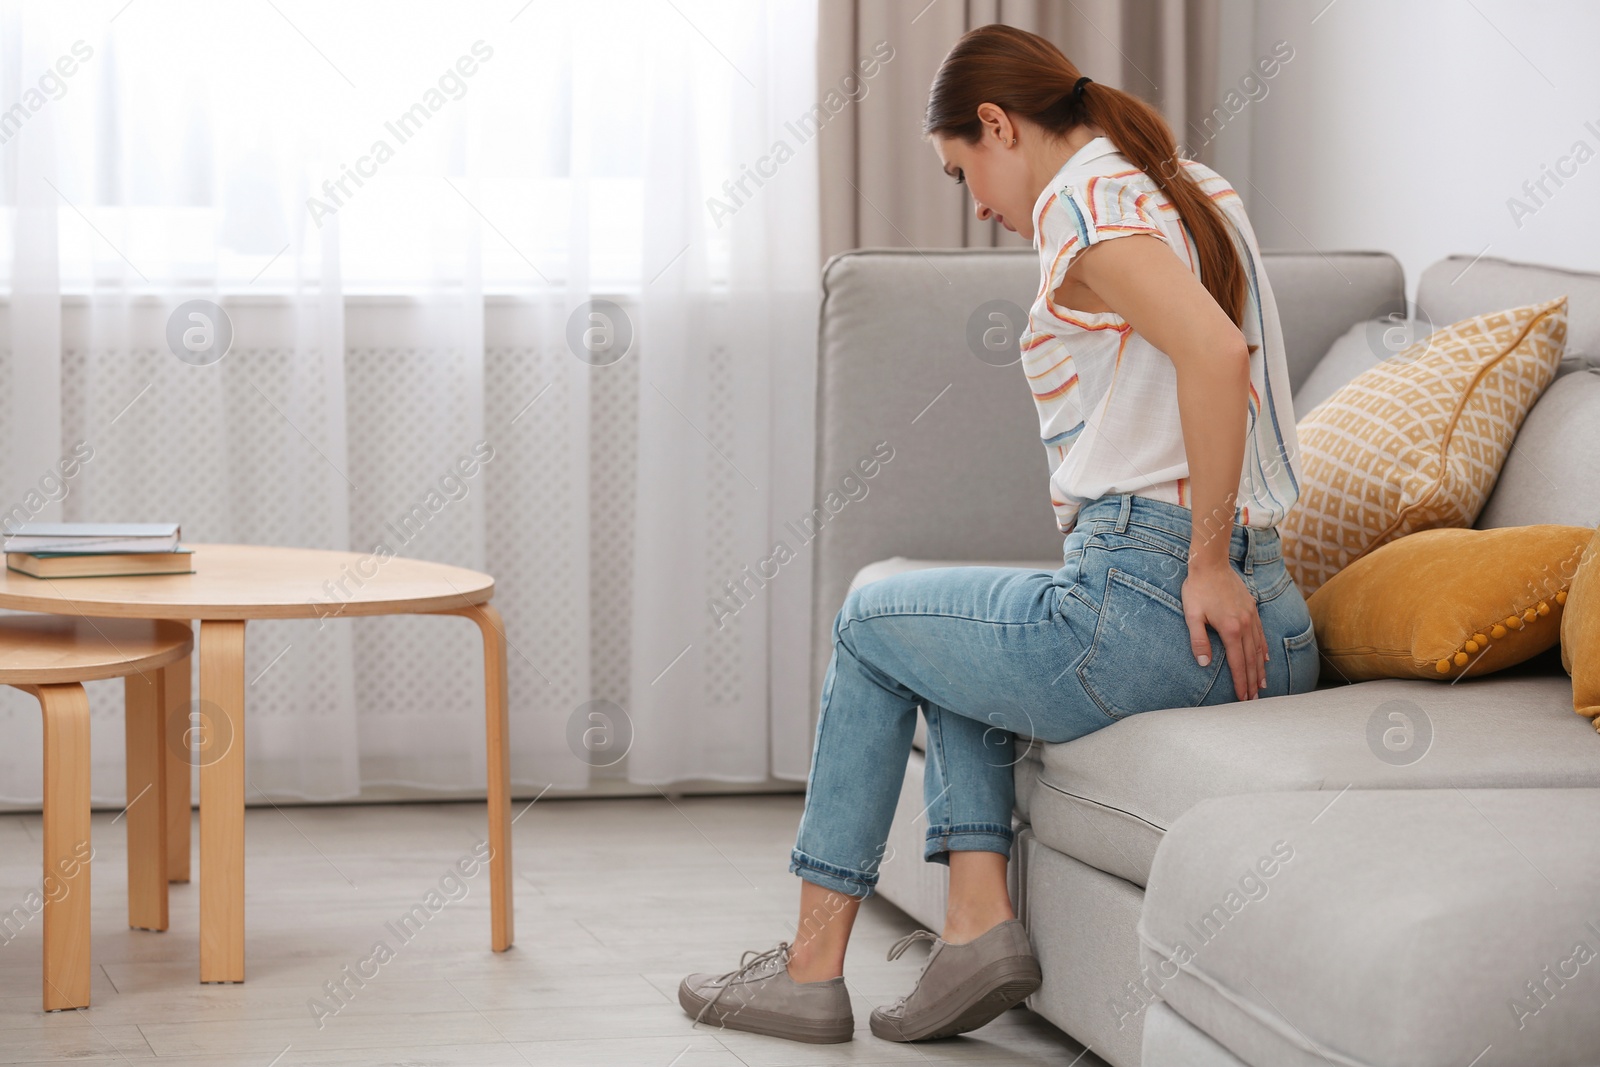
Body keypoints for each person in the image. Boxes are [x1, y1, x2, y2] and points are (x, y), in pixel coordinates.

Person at [678, 22, 1318, 1046]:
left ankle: (809, 970)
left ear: (996, 124)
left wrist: (1201, 561)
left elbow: (1212, 353)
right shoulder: (1184, 182)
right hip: (1276, 624)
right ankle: (975, 920)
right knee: (936, 625)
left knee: (866, 617)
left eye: (962, 169)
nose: (976, 202)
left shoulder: (1082, 204)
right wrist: (1219, 564)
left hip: (1163, 613)